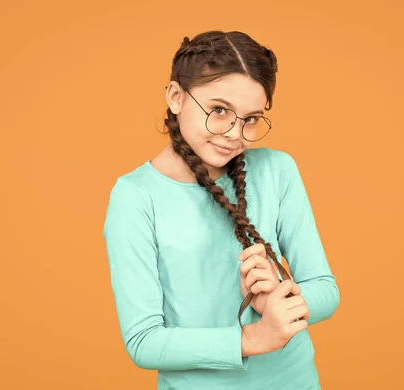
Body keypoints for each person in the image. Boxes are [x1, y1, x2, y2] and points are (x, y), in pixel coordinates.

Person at [103, 30, 340, 390]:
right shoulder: (136, 196)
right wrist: (253, 338)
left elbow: (325, 290)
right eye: (218, 110)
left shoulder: (277, 169)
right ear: (176, 97)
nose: (234, 133)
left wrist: (279, 294)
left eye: (250, 119)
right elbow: (144, 341)